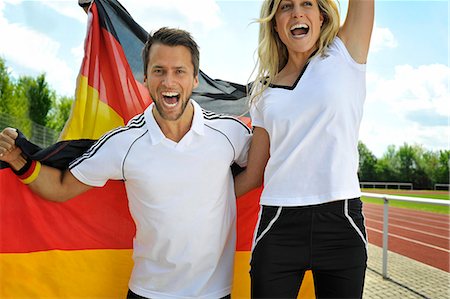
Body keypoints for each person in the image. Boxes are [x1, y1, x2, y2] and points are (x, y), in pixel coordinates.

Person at [0, 27, 252, 299]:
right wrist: (17, 159)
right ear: (145, 77)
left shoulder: (230, 133)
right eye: (159, 71)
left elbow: (268, 169)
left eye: (179, 71)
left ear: (195, 80)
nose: (169, 81)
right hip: (147, 293)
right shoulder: (123, 142)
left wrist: (221, 193)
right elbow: (60, 187)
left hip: (214, 293)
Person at [234, 0, 374, 298]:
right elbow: (253, 175)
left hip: (342, 220)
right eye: (286, 6)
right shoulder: (263, 92)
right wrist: (193, 193)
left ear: (321, 17)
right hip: (278, 222)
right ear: (275, 23)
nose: (297, 12)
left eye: (307, 3)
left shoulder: (345, 54)